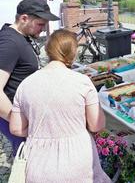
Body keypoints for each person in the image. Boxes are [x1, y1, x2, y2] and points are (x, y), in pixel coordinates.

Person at [9, 29, 111, 182]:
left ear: (48, 52)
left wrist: (44, 132)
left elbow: (16, 128)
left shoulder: (25, 84)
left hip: (38, 162)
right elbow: (96, 125)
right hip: (77, 159)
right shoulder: (81, 81)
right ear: (73, 53)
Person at [0, 0, 60, 155]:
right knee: (28, 160)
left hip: (26, 114)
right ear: (24, 18)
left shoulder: (20, 36)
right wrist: (16, 121)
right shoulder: (9, 42)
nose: (43, 28)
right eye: (40, 24)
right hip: (17, 118)